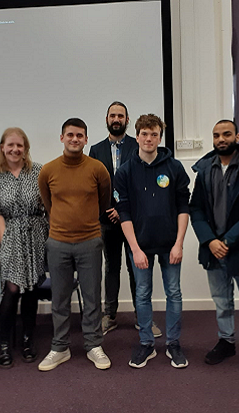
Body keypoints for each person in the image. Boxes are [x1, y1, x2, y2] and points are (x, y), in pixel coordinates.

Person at [114, 114, 191, 369]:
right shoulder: (125, 171)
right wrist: (135, 249)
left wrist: (179, 243)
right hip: (141, 246)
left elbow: (183, 207)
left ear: (160, 136)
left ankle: (173, 344)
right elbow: (123, 212)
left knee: (174, 294)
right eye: (144, 134)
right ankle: (146, 344)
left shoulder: (174, 168)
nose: (149, 138)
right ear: (136, 136)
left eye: (154, 134)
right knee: (143, 294)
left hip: (170, 244)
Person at [37, 118, 112, 371]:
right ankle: (60, 347)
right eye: (70, 135)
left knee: (92, 298)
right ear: (62, 138)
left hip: (90, 242)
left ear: (86, 139)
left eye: (80, 135)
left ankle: (93, 345)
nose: (75, 139)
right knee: (59, 299)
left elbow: (104, 201)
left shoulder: (98, 169)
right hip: (57, 243)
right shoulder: (48, 170)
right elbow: (48, 204)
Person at [189, 120, 239, 372]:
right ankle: (227, 341)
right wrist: (210, 240)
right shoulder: (205, 169)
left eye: (226, 134)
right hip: (213, 247)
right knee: (221, 300)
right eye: (216, 135)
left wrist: (228, 241)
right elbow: (196, 208)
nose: (221, 139)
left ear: (237, 136)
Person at [88, 101, 162, 337]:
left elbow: (141, 183)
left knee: (135, 268)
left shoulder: (137, 145)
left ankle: (143, 317)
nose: (116, 119)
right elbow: (95, 186)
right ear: (107, 119)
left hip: (133, 219)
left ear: (127, 120)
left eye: (121, 115)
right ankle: (110, 315)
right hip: (106, 220)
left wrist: (122, 210)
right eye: (113, 115)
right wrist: (109, 210)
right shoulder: (96, 150)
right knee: (111, 267)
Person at [0, 127, 49, 368]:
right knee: (12, 289)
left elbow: (48, 205)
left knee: (31, 289)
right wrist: (6, 241)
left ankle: (27, 338)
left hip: (36, 233)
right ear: (2, 147)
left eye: (19, 145)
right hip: (10, 235)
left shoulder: (39, 171)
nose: (15, 149)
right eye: (10, 145)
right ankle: (4, 342)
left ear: (26, 148)